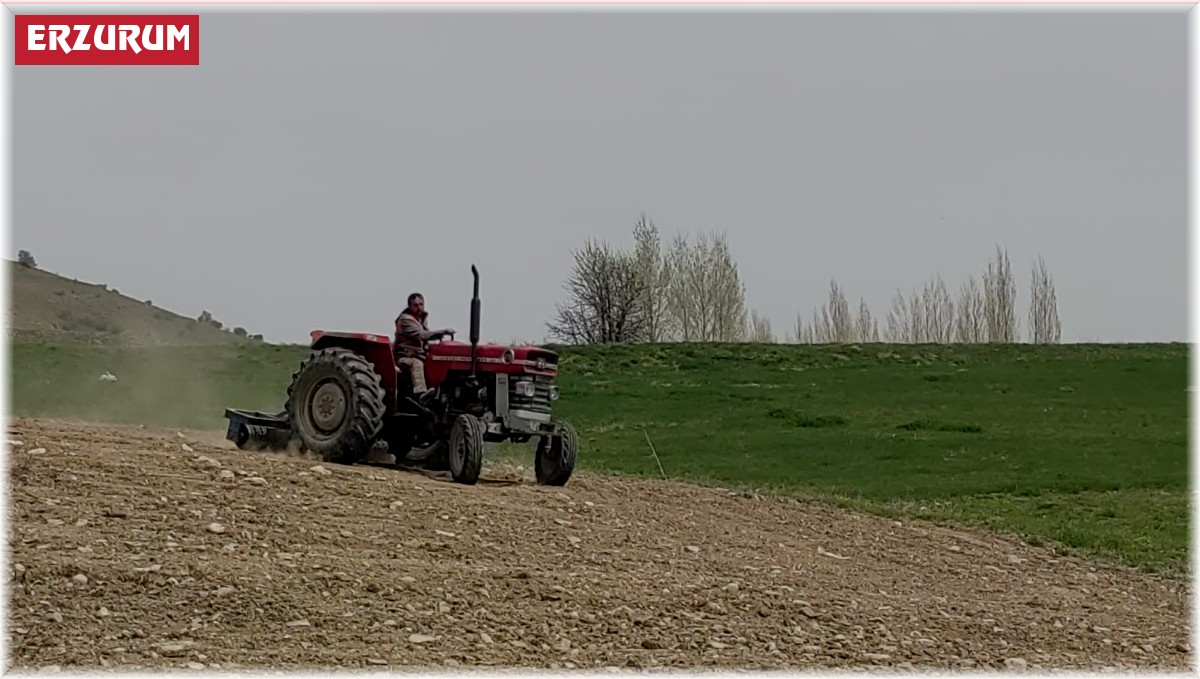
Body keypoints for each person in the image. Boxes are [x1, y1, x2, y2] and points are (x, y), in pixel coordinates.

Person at [394, 292, 455, 401]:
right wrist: (443, 331)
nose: (419, 307)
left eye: (421, 304)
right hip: (406, 357)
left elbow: (426, 336)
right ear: (410, 306)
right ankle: (420, 394)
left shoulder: (420, 319)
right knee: (416, 364)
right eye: (415, 305)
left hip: (419, 355)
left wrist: (439, 336)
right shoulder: (406, 320)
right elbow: (421, 335)